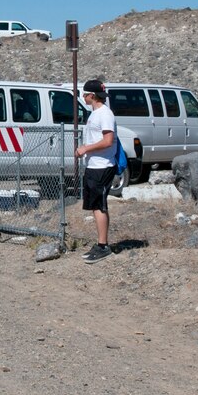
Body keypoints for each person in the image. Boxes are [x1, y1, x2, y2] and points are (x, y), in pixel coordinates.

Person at [75, 78, 118, 264]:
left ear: (92, 95)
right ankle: (100, 243)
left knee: (100, 205)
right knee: (94, 205)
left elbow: (108, 141)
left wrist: (86, 148)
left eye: (84, 94)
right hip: (94, 165)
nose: (83, 97)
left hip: (103, 165)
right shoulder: (95, 114)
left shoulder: (105, 114)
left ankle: (103, 246)